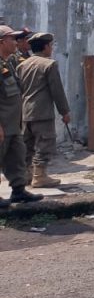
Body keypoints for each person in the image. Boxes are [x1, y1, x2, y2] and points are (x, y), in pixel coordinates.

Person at [16, 33, 71, 189]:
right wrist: (64, 112)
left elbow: (19, 90)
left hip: (25, 111)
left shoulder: (22, 65)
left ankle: (26, 174)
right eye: (51, 45)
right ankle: (39, 176)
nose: (51, 49)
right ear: (46, 47)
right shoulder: (49, 65)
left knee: (27, 144)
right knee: (44, 144)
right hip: (42, 112)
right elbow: (57, 90)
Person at [0, 25, 42, 206]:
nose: (16, 42)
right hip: (2, 126)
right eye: (12, 38)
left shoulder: (8, 62)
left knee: (17, 157)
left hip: (13, 125)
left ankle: (18, 191)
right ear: (1, 42)